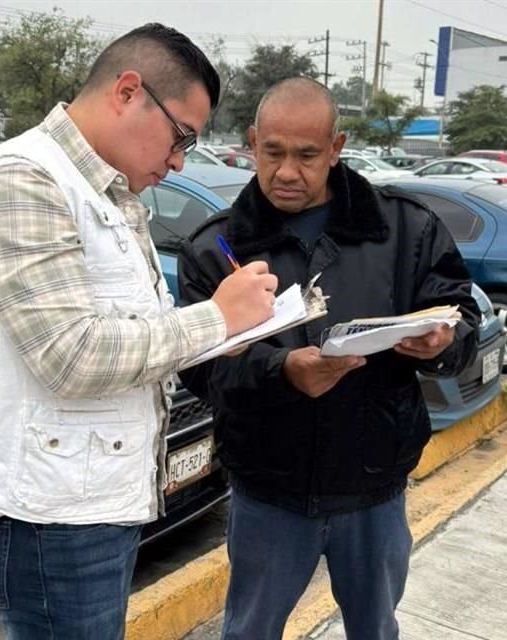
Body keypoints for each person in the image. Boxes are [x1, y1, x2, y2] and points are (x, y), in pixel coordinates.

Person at [0, 24, 279, 639]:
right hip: (47, 518)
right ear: (127, 92)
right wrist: (217, 317)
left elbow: (135, 334)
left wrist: (222, 334)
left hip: (91, 503)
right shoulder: (20, 180)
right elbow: (70, 355)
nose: (178, 161)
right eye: (181, 136)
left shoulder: (107, 194)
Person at [178, 78, 480, 640]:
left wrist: (441, 344)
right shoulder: (217, 248)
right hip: (268, 489)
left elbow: (460, 317)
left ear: (336, 148)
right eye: (273, 153)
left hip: (373, 487)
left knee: (375, 629)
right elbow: (199, 368)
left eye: (307, 155)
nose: (287, 172)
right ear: (252, 142)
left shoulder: (406, 228)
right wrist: (282, 372)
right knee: (249, 631)